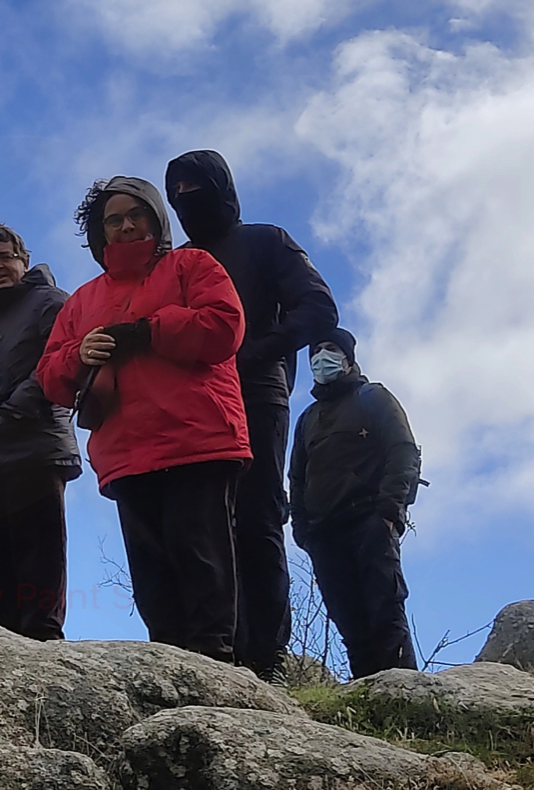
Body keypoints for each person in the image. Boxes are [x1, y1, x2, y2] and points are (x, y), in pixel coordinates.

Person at [37, 177, 251, 662]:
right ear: (101, 233)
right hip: (127, 454)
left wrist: (148, 331)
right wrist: (78, 355)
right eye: (114, 219)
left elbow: (224, 326)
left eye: (137, 214)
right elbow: (49, 375)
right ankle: (172, 667)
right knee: (151, 571)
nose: (127, 225)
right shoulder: (81, 301)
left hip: (197, 441)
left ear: (157, 219)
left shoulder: (192, 265)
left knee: (201, 558)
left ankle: (216, 665)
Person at [164, 150, 339, 678]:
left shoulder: (265, 240)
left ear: (222, 186)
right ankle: (220, 647)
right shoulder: (180, 261)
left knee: (257, 515)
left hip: (258, 393)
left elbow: (319, 309)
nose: (186, 198)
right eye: (177, 192)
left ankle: (267, 656)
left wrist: (254, 351)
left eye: (196, 186)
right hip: (195, 405)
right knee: (203, 523)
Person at [0, 223, 81, 640]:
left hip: (34, 449)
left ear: (23, 260)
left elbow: (57, 363)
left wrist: (9, 415)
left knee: (38, 565)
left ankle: (45, 654)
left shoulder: (51, 303)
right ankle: (10, 660)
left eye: (5, 257)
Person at [289, 328, 419, 679]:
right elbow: (296, 478)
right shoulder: (308, 419)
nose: (321, 357)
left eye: (331, 349)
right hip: (324, 534)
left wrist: (389, 513)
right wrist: (302, 530)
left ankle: (405, 698)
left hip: (369, 523)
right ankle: (367, 699)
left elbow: (403, 450)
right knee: (349, 623)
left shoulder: (373, 396)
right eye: (316, 351)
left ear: (348, 358)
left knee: (386, 614)